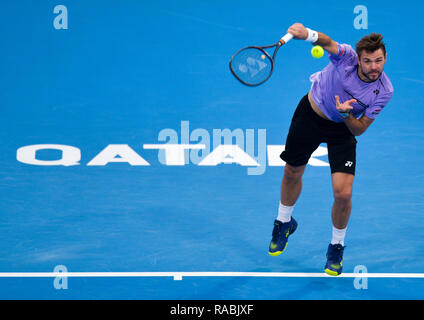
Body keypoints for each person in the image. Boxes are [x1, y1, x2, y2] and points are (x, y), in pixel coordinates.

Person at [268, 23, 394, 276]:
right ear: (358, 59)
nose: (374, 67)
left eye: (379, 61)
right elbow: (327, 42)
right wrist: (308, 35)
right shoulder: (345, 58)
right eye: (368, 61)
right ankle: (283, 221)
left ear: (385, 58)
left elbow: (359, 129)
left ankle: (336, 246)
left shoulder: (384, 90)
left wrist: (345, 114)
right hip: (311, 116)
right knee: (292, 170)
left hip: (342, 128)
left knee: (343, 194)